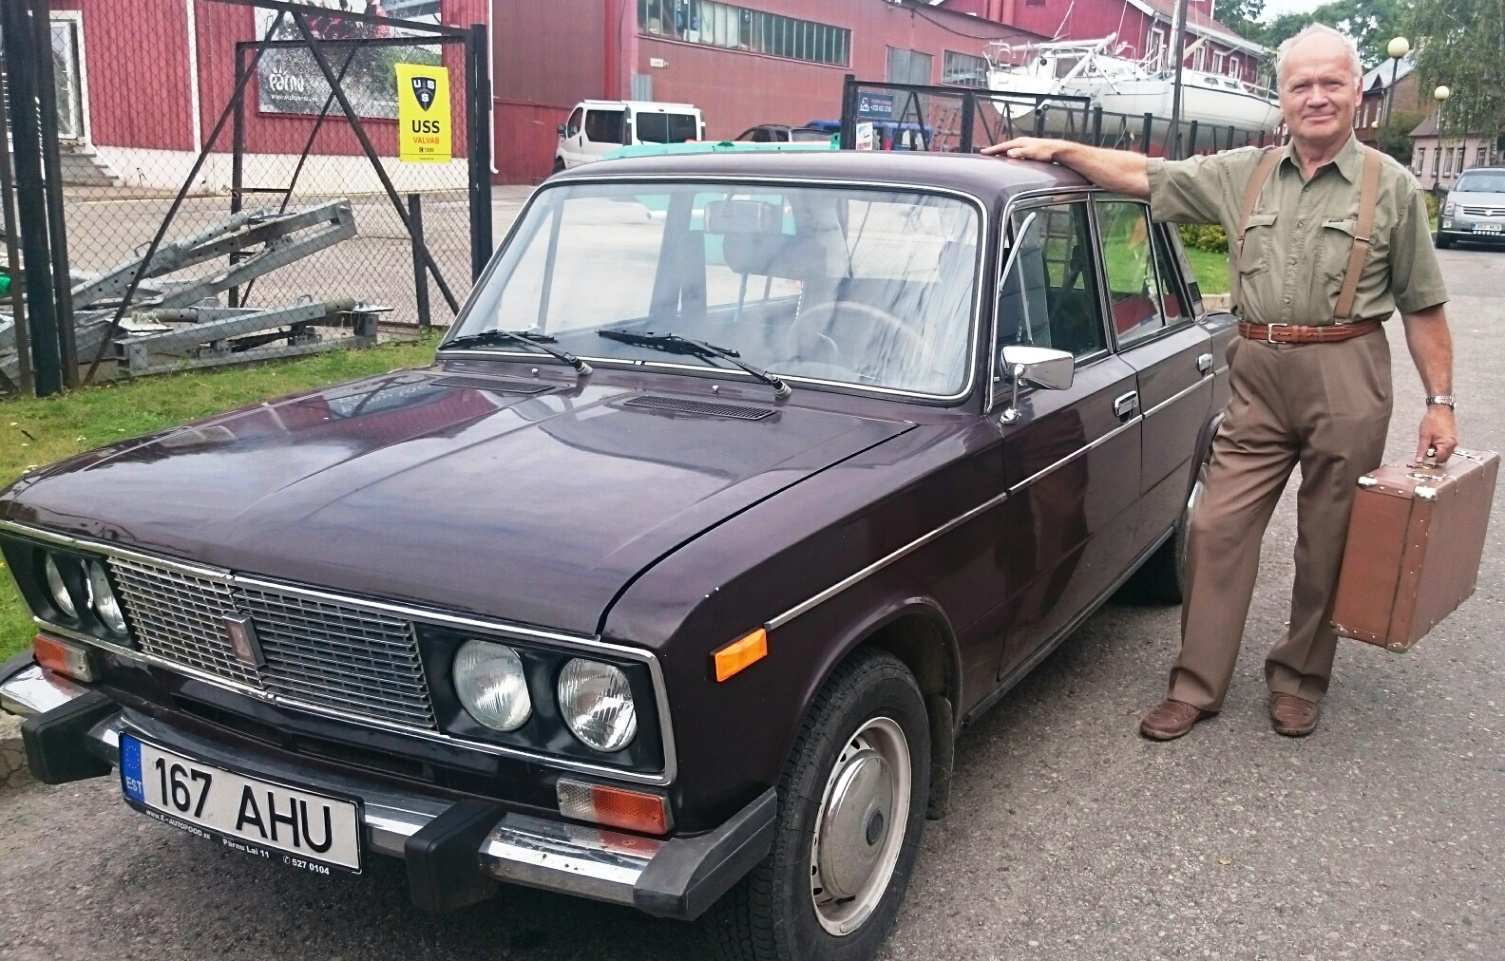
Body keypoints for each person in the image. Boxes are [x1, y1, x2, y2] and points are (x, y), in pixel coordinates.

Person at [982, 23, 1456, 739]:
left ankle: (1299, 678)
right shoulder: (1245, 172)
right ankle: (1197, 684)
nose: (1317, 97)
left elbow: (1423, 307)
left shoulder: (1389, 186)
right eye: (1301, 84)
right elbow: (1146, 176)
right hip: (1257, 370)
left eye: (1331, 83)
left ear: (1357, 92)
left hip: (1347, 369)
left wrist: (1439, 403)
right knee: (1214, 527)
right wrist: (1060, 149)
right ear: (1282, 97)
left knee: (1328, 540)